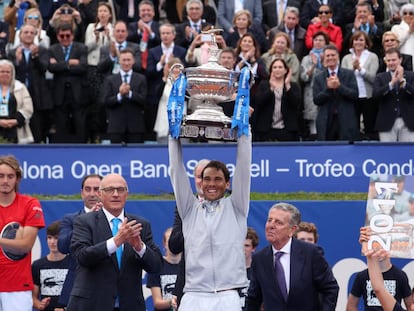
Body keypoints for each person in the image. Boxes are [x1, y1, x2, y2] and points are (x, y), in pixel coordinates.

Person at [168, 109, 252, 310]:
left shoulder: (237, 206)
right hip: (193, 294)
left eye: (217, 179)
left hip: (228, 294)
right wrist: (174, 134)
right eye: (207, 179)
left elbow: (244, 168)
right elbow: (176, 170)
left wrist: (245, 129)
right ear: (200, 182)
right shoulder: (189, 209)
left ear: (227, 183)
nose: (211, 184)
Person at [67, 173, 162, 311]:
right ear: (100, 194)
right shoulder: (84, 221)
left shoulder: (140, 225)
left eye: (120, 190)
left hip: (129, 305)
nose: (116, 194)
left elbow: (157, 266)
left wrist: (139, 247)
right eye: (110, 190)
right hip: (93, 304)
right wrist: (116, 241)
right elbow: (82, 257)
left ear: (127, 194)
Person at [246, 202, 339, 310]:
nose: (271, 226)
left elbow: (330, 289)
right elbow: (253, 299)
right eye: (269, 220)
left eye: (278, 222)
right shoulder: (260, 259)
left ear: (292, 230)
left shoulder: (311, 253)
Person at [0, 154, 45, 311]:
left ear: (17, 179)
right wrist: (13, 242)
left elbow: (25, 246)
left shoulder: (30, 204)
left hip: (17, 287)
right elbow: (18, 244)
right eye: (1, 176)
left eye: (10, 176)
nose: (5, 180)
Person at [168, 159, 210, 310]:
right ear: (194, 179)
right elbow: (174, 246)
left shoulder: (229, 206)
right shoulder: (184, 206)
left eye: (208, 177)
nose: (204, 182)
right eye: (200, 177)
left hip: (221, 288)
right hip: (188, 287)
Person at [57, 174, 103, 309]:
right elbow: (63, 246)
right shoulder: (71, 219)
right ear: (82, 193)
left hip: (107, 287)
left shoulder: (115, 219)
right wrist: (87, 219)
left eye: (97, 189)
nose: (92, 194)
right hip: (78, 287)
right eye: (88, 189)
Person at [9, 23, 52, 144]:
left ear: (35, 35)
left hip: (37, 94)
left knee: (37, 129)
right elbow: (10, 74)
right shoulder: (13, 52)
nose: (28, 35)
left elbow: (44, 68)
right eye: (26, 32)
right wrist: (17, 61)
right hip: (18, 94)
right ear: (20, 35)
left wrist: (35, 57)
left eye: (31, 33)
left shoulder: (42, 51)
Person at [48, 22, 89, 143]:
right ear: (57, 36)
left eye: (67, 36)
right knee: (61, 124)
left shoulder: (81, 47)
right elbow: (51, 68)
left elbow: (83, 67)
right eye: (62, 36)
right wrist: (69, 63)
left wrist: (60, 65)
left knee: (80, 124)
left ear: (72, 36)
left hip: (77, 92)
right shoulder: (52, 49)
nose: (65, 38)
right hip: (60, 92)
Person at [146, 23, 186, 141]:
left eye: (168, 33)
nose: (165, 36)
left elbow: (185, 71)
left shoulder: (181, 51)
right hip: (160, 97)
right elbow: (149, 72)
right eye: (163, 33)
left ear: (174, 35)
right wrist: (161, 65)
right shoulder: (153, 51)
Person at [313, 44, 360, 141]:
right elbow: (316, 100)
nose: (330, 58)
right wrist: (328, 89)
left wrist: (339, 87)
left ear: (338, 57)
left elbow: (355, 95)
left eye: (333, 55)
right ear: (324, 58)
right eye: (328, 56)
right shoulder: (319, 77)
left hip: (345, 120)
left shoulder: (349, 74)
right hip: (326, 121)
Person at [101, 48, 148, 144]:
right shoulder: (110, 79)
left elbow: (144, 100)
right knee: (116, 157)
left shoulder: (141, 78)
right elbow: (105, 101)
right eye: (124, 60)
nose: (126, 63)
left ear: (133, 61)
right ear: (119, 61)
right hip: (116, 127)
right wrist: (120, 95)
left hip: (136, 128)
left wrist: (130, 94)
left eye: (128, 60)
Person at [84, 2, 114, 143]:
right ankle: (93, 133)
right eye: (100, 11)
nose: (102, 13)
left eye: (105, 11)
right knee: (94, 102)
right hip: (93, 68)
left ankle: (105, 133)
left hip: (108, 69)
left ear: (110, 14)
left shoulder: (114, 28)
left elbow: (114, 49)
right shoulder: (91, 27)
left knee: (105, 101)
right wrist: (96, 39)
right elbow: (86, 49)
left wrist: (108, 37)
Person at [341, 31, 379, 140]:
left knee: (369, 127)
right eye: (356, 40)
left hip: (368, 96)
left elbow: (373, 78)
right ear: (352, 42)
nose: (358, 42)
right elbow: (343, 79)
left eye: (361, 40)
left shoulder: (372, 57)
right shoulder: (346, 58)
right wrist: (352, 69)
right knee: (353, 126)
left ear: (366, 43)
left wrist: (360, 70)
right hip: (352, 97)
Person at [252, 58, 301, 141]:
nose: (277, 69)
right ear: (271, 70)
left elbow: (296, 104)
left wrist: (287, 85)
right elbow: (258, 102)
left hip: (287, 130)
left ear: (286, 70)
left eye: (280, 67)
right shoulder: (264, 85)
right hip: (266, 129)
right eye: (274, 67)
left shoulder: (293, 86)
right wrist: (271, 88)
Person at [373, 47, 414, 142]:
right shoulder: (380, 77)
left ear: (400, 60)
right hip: (386, 122)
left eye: (394, 60)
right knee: (387, 154)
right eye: (388, 60)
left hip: (408, 122)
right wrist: (391, 84)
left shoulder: (411, 76)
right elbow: (375, 95)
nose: (391, 63)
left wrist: (403, 82)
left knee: (408, 153)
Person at [31, 221, 70, 311]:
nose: (52, 242)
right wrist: (39, 305)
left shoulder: (73, 264)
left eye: (56, 238)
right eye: (50, 237)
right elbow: (33, 297)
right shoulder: (37, 265)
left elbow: (79, 295)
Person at [300, 31, 330, 140]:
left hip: (326, 92)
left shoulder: (330, 56)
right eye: (316, 40)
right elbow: (304, 78)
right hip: (310, 93)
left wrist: (323, 64)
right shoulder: (306, 58)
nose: (318, 42)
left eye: (321, 40)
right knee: (313, 121)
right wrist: (313, 65)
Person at [147, 227, 182, 311]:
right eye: (170, 241)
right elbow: (157, 303)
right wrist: (172, 302)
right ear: (164, 244)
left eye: (176, 241)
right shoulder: (157, 266)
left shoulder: (188, 267)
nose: (173, 244)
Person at [0, 59, 34, 144]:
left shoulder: (20, 87)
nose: (5, 74)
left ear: (12, 74)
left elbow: (28, 108)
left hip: (15, 128)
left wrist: (15, 121)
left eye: (8, 72)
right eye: (2, 71)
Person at [153, 57, 183, 143]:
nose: (176, 72)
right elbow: (157, 95)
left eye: (178, 69)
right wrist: (165, 77)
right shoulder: (163, 83)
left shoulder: (184, 83)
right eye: (173, 69)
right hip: (164, 124)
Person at [126, 0, 161, 71]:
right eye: (143, 10)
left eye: (148, 10)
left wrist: (151, 34)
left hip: (154, 62)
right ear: (139, 13)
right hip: (136, 63)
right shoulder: (132, 26)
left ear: (153, 13)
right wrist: (139, 31)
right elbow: (128, 41)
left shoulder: (159, 26)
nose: (146, 13)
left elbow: (161, 42)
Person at [240, 227, 259, 311]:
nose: (243, 249)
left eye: (247, 246)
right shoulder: (227, 272)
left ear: (253, 248)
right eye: (240, 245)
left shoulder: (259, 272)